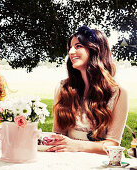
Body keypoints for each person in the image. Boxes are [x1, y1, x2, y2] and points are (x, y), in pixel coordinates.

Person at [47, 26, 128, 154]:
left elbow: (113, 144)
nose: (71, 52)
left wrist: (76, 146)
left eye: (78, 46)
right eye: (70, 47)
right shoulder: (63, 88)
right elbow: (58, 134)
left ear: (95, 49)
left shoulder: (118, 93)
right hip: (64, 160)